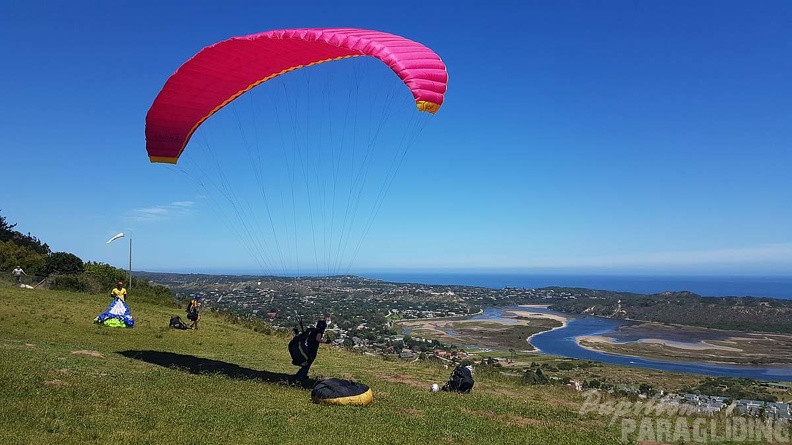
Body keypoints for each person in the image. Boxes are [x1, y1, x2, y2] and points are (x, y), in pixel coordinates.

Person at [291, 316, 329, 382]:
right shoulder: (319, 331)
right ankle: (298, 377)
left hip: (306, 348)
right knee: (307, 364)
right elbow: (317, 339)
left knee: (307, 363)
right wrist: (325, 342)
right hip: (311, 350)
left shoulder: (312, 330)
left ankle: (303, 375)